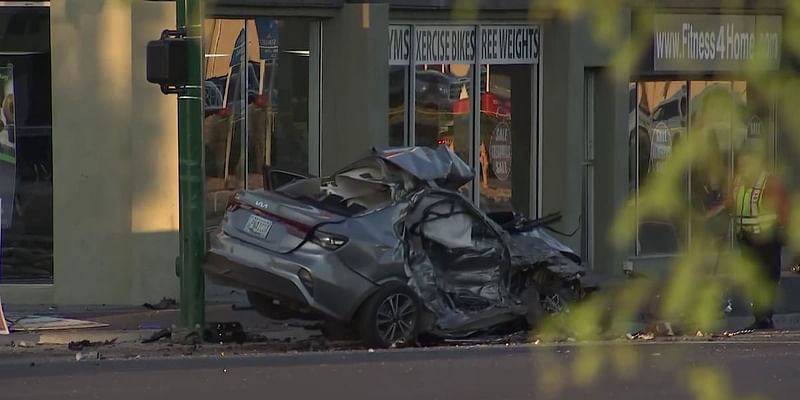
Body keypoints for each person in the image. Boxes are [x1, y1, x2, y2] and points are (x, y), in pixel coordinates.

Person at [708, 138, 787, 330]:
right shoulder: (739, 181)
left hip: (767, 239)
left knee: (767, 278)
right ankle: (759, 317)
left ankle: (765, 318)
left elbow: (783, 210)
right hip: (747, 239)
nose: (742, 165)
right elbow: (730, 204)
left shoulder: (769, 182)